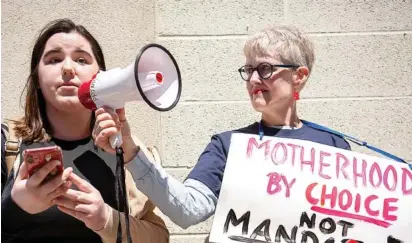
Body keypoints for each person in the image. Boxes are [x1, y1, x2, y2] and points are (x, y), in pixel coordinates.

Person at [92, 24, 351, 232]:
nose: (252, 79)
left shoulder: (335, 147)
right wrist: (132, 153)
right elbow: (188, 209)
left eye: (265, 69)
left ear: (299, 76)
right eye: (248, 69)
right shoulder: (228, 146)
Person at [1, 18, 169, 243]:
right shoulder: (8, 143)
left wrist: (107, 221)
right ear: (38, 79)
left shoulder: (127, 151)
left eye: (81, 59)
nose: (68, 68)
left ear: (99, 77)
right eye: (54, 59)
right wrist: (14, 208)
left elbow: (159, 236)